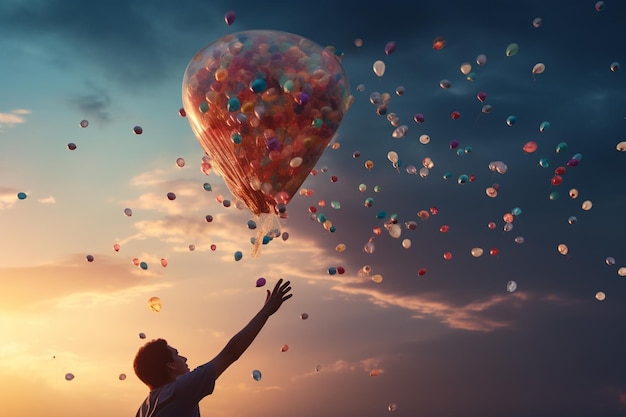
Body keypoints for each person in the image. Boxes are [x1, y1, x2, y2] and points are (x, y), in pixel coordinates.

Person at [133, 278, 293, 417]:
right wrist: (265, 312)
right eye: (177, 355)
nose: (184, 358)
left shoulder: (143, 410)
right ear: (171, 365)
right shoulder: (181, 389)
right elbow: (231, 353)